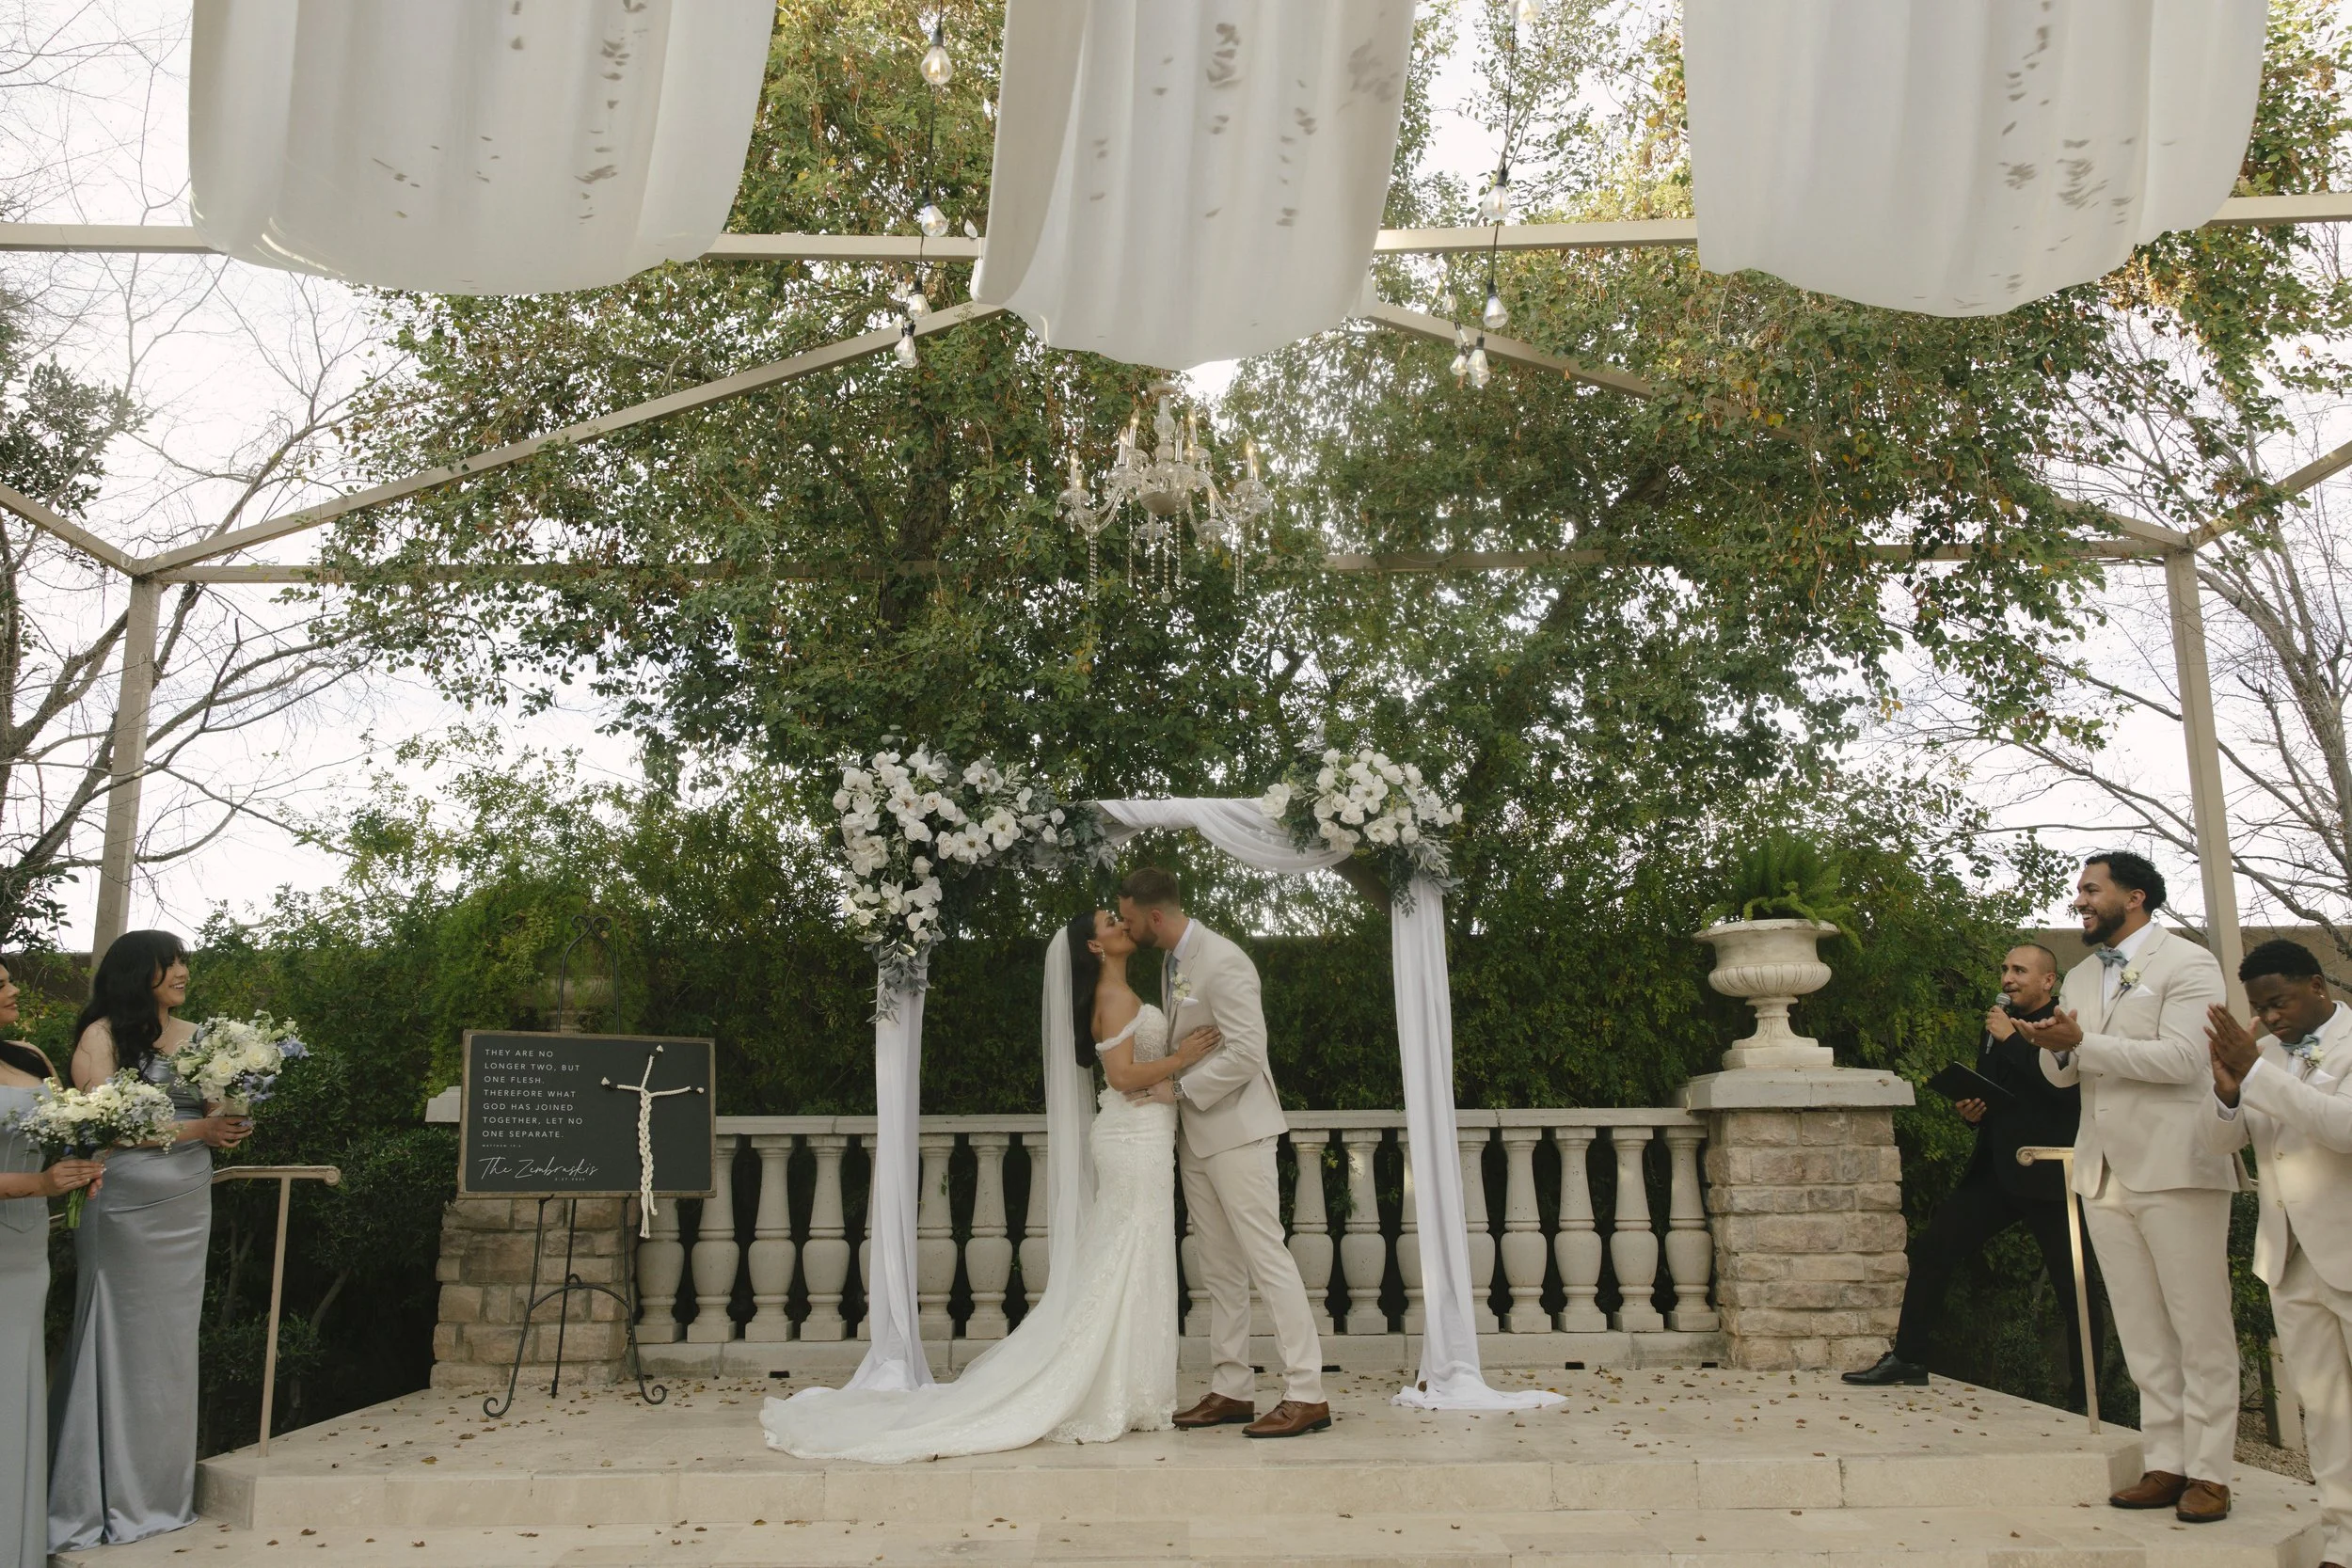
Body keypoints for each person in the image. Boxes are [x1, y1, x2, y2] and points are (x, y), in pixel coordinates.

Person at [760, 908, 1220, 1463]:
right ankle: (1114, 1390)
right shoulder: (1113, 997)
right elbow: (1122, 1078)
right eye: (1109, 923)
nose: (1122, 925)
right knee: (1130, 1250)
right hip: (1133, 1135)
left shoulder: (1118, 992)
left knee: (1133, 1252)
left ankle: (1134, 1388)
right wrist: (1181, 1059)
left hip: (1144, 1133)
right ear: (1095, 948)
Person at [2018, 853, 2238, 1524]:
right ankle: (2165, 1460)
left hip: (2177, 1167)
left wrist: (2084, 1042)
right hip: (2103, 1171)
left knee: (2198, 1325)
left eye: (2092, 889)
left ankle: (2212, 1472)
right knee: (2143, 1329)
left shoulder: (2189, 964)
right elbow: (2063, 1074)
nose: (2079, 899)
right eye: (2079, 890)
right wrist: (2055, 1046)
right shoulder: (2083, 973)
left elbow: (2182, 1059)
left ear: (2135, 896)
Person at [49, 931, 249, 1552]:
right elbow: (103, 1123)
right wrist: (200, 1126)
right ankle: (98, 1499)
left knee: (168, 1344)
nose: (184, 970)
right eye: (172, 961)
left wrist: (237, 1111)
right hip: (127, 1203)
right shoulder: (101, 1035)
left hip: (187, 1200)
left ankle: (159, 1496)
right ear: (141, 971)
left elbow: (222, 1108)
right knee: (119, 1335)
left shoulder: (202, 1034)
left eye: (185, 960)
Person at [1118, 865, 1329, 1438]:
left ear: (1154, 915)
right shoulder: (1170, 961)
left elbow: (1247, 1052)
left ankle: (1307, 1392)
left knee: (1267, 1258)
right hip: (1196, 1137)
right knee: (1219, 1268)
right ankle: (1231, 1387)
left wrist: (1178, 1088)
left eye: (1131, 919)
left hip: (1238, 1130)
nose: (1127, 927)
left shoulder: (1225, 960)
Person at [1844, 943, 2104, 1403]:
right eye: (2005, 969)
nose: (2008, 978)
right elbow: (2003, 1090)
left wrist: (2012, 1039)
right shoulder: (1995, 1023)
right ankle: (1909, 1359)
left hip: (2050, 1173)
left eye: (2020, 970)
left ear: (2048, 980)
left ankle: (2090, 1396)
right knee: (1932, 1249)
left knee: (2075, 1285)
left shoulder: (2062, 1026)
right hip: (1996, 1168)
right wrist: (1974, 1108)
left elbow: (2063, 1093)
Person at [2204, 940, 2352, 1568]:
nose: (2269, 1016)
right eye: (2260, 1006)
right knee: (2326, 1415)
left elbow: (2343, 1129)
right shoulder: (2260, 1056)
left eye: (2279, 1000)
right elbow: (2220, 1142)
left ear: (2317, 984)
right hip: (2289, 1258)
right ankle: (2342, 1546)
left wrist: (2259, 1075)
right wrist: (2230, 1091)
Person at [0, 961, 103, 1568]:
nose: (13, 989)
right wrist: (39, 1182)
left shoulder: (33, 1056)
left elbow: (67, 1131)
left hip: (25, 1251)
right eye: (0, 985)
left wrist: (81, 1163)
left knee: (18, 1385)